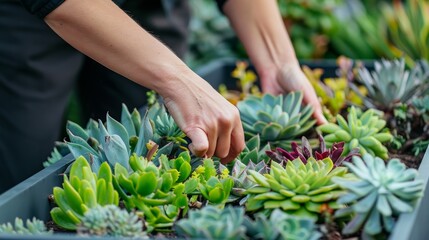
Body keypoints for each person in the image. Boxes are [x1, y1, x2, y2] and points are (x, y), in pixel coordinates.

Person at [0, 0, 326, 193]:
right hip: (29, 16)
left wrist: (277, 62)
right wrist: (179, 80)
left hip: (152, 7)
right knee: (22, 175)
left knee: (150, 147)